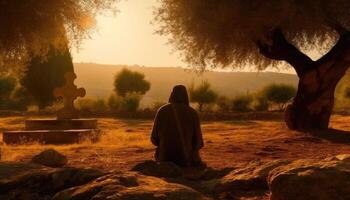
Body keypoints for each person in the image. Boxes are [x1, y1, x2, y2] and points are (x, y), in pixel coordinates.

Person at [151, 85, 204, 168]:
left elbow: (154, 140)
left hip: (164, 159)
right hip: (185, 161)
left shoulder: (162, 111)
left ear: (172, 95)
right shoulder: (192, 113)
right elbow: (199, 143)